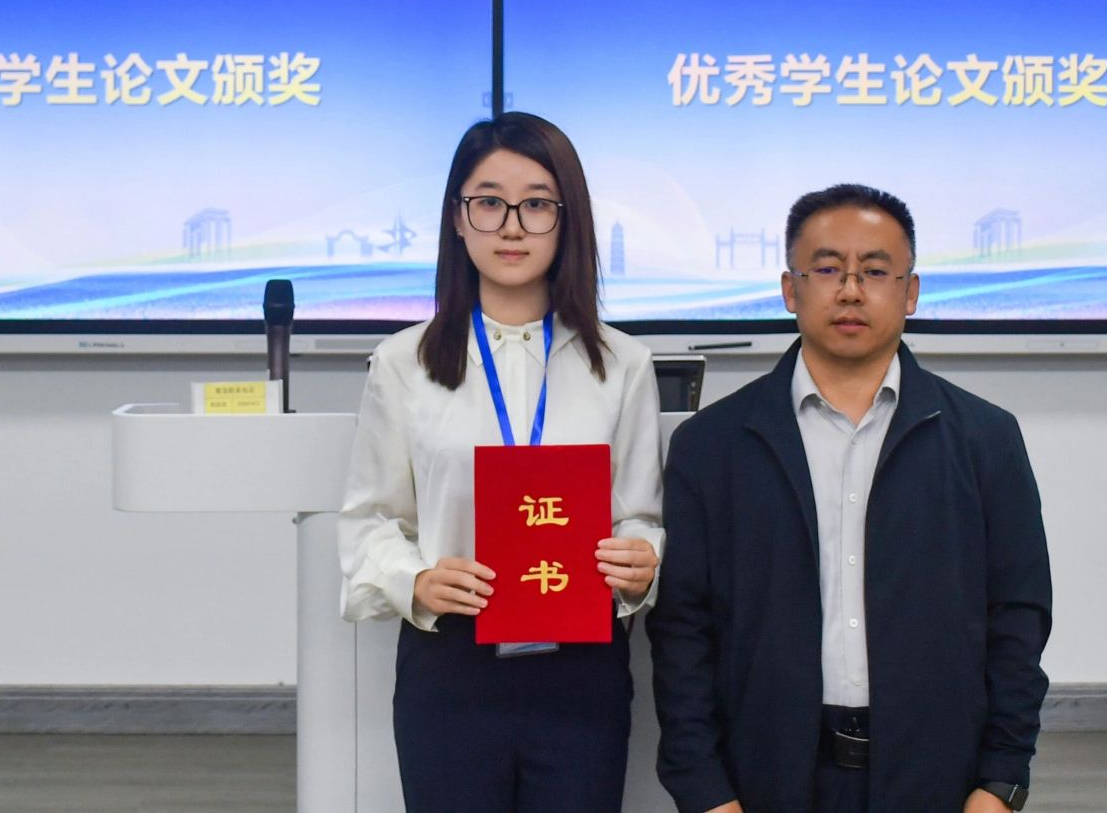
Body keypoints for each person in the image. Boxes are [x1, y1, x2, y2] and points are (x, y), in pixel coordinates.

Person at [649, 184, 1052, 813]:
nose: (850, 290)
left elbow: (1018, 620)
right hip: (765, 781)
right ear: (791, 289)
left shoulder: (984, 439)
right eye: (828, 269)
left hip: (938, 781)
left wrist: (1000, 782)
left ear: (911, 292)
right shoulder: (712, 445)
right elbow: (682, 632)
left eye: (876, 271)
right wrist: (704, 791)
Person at [339, 112, 666, 812]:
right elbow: (370, 520)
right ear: (457, 219)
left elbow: (643, 516)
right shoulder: (403, 362)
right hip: (452, 663)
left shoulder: (624, 364)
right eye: (489, 202)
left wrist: (644, 560)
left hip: (581, 667)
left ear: (568, 220)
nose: (512, 226)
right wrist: (416, 579)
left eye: (537, 204)